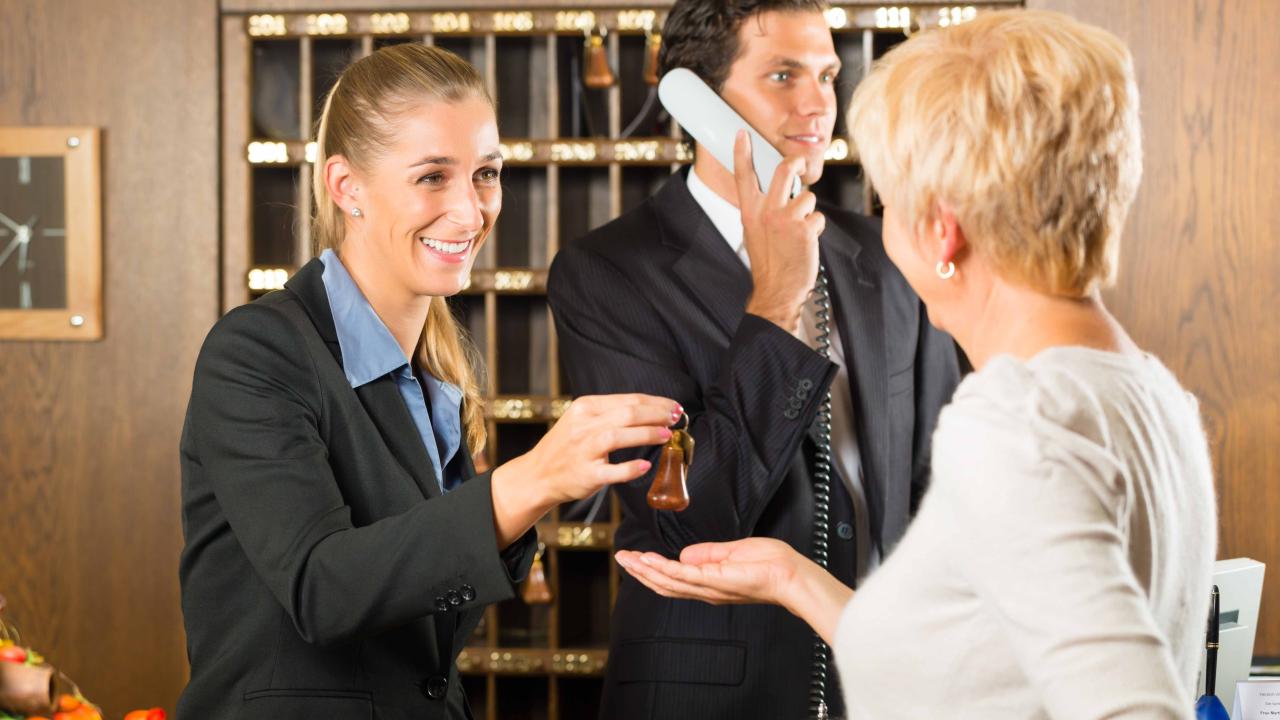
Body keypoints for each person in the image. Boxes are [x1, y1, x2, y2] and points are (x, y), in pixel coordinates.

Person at [618, 9, 1218, 719]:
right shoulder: (1151, 391)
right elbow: (982, 667)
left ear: (942, 229)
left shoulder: (1016, 425)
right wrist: (792, 578)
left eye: (889, 195)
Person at [177, 44, 678, 720]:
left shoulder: (433, 376)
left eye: (486, 175)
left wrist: (533, 495)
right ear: (346, 186)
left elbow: (418, 621)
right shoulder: (258, 352)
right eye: (434, 177)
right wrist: (533, 481)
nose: (471, 213)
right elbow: (321, 589)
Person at [546, 1, 961, 717]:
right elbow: (685, 518)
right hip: (710, 696)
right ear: (694, 100)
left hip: (881, 683)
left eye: (827, 77)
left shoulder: (888, 258)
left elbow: (941, 487)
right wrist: (775, 298)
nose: (817, 105)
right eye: (782, 75)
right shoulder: (607, 274)